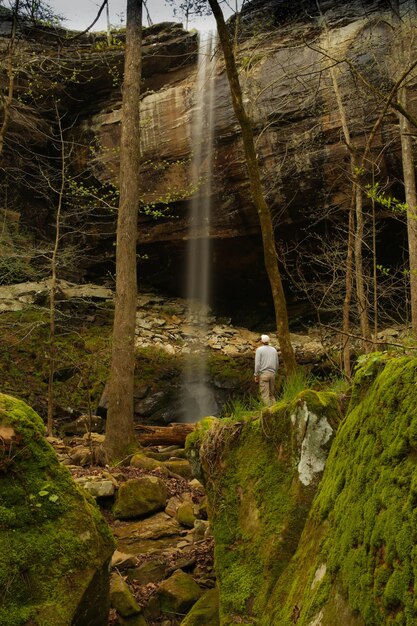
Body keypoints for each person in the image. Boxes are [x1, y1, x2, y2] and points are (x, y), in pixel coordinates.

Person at [254, 334, 279, 406]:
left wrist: (256, 375)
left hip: (263, 374)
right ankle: (275, 410)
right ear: (269, 341)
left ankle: (268, 413)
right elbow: (277, 363)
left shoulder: (259, 350)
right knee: (272, 395)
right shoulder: (274, 350)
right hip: (272, 374)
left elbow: (258, 364)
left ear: (261, 341)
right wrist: (275, 372)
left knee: (265, 395)